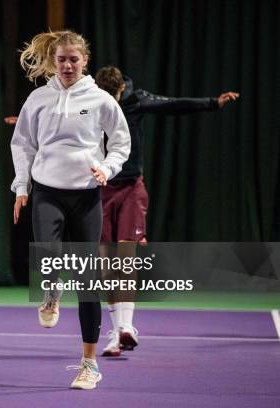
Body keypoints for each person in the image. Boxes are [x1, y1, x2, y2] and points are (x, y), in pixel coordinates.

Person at [11, 31, 130, 389]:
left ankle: (89, 365)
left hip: (86, 197)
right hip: (47, 192)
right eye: (61, 59)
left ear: (84, 61)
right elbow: (22, 144)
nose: (66, 65)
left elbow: (120, 144)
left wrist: (106, 168)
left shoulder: (101, 100)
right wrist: (21, 186)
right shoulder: (38, 98)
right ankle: (51, 290)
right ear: (53, 60)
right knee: (48, 258)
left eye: (73, 60)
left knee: (87, 284)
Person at [94, 65, 240, 357]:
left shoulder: (137, 100)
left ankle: (127, 327)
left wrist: (213, 103)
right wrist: (27, 120)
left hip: (131, 188)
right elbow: (61, 118)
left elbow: (173, 104)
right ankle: (116, 334)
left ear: (121, 89)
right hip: (101, 189)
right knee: (106, 263)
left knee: (125, 256)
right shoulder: (92, 102)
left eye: (113, 95)